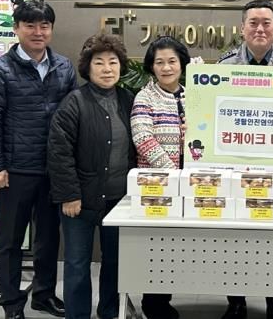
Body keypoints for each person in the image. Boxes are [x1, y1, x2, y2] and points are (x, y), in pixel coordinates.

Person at [0, 0, 77, 319]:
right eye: (30, 25)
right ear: (16, 28)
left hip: (52, 169)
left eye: (44, 25)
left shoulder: (64, 67)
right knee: (10, 241)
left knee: (48, 238)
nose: (38, 32)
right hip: (15, 169)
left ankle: (43, 295)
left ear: (51, 29)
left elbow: (74, 118)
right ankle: (11, 303)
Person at [218, 0, 273, 319]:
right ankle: (236, 302)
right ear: (242, 28)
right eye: (253, 23)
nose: (260, 29)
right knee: (234, 238)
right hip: (236, 168)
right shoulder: (224, 68)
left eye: (266, 23)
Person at [48, 33, 135, 319]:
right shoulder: (74, 102)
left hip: (119, 201)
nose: (107, 69)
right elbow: (59, 152)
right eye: (99, 62)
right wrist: (69, 195)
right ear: (88, 67)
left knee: (115, 262)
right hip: (80, 201)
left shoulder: (128, 100)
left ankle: (109, 310)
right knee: (77, 263)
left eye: (113, 62)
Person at [131, 36, 191, 319]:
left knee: (176, 245)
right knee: (157, 246)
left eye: (172, 61)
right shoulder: (145, 97)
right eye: (160, 62)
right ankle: (153, 303)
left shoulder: (193, 95)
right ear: (151, 66)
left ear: (182, 63)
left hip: (190, 184)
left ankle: (164, 299)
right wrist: (173, 173)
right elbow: (143, 139)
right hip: (157, 185)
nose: (166, 68)